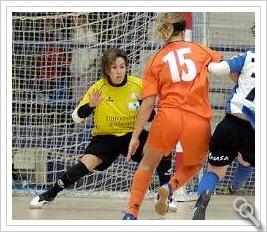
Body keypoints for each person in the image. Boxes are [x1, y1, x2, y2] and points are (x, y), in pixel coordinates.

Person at [30, 48, 176, 211]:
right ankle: (49, 194)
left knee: (163, 150)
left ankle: (166, 196)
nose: (119, 71)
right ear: (107, 70)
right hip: (105, 137)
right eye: (114, 67)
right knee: (83, 166)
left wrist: (143, 103)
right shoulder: (98, 88)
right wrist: (90, 106)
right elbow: (76, 118)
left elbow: (150, 117)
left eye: (122, 66)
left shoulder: (138, 85)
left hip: (132, 135)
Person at [122, 12, 222, 220]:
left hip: (168, 116)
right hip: (197, 119)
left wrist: (135, 136)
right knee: (194, 164)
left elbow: (148, 104)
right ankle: (170, 185)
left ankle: (131, 213)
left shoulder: (155, 60)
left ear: (164, 30)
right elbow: (223, 66)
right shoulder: (200, 50)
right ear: (184, 30)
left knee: (148, 164)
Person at [192, 48, 255, 220]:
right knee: (246, 161)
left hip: (231, 123)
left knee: (214, 171)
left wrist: (205, 60)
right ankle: (235, 186)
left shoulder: (249, 56)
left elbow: (218, 69)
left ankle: (201, 205)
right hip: (255, 130)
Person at [69, 14, 99, 100]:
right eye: (75, 17)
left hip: (86, 70)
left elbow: (94, 50)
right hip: (76, 70)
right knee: (76, 97)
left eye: (78, 17)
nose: (76, 19)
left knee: (85, 97)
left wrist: (87, 65)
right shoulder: (73, 31)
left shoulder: (88, 32)